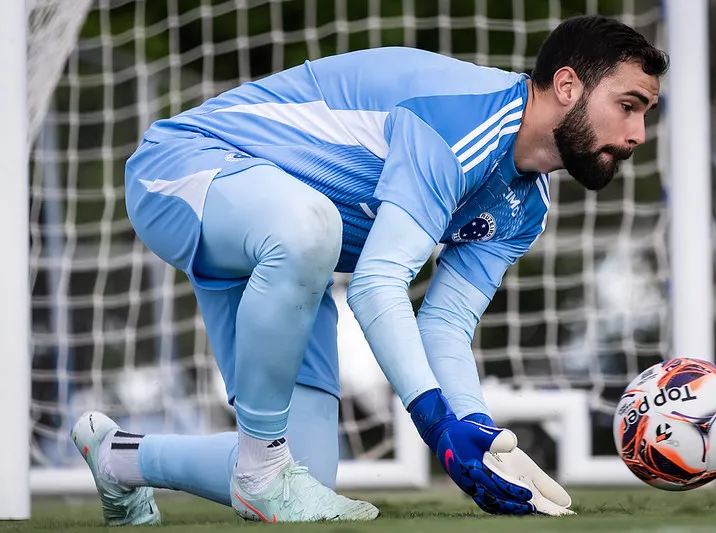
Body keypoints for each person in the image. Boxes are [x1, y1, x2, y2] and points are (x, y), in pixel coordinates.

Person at [72, 14, 667, 524]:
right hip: (185, 170)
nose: (638, 134)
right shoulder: (460, 125)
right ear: (566, 85)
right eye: (628, 105)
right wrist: (437, 427)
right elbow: (378, 285)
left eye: (645, 113)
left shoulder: (525, 206)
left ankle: (120, 458)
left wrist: (480, 435)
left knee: (303, 473)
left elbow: (445, 326)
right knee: (310, 234)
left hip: (281, 248)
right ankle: (257, 470)